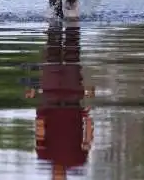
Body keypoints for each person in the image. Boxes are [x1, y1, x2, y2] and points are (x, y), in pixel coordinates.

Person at [24, 19, 94, 179]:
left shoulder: (44, 156)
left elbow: (39, 127)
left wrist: (40, 108)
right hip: (72, 98)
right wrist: (88, 116)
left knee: (52, 54)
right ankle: (70, 23)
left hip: (51, 95)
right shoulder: (78, 161)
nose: (58, 177)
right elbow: (87, 140)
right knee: (72, 53)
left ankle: (54, 22)